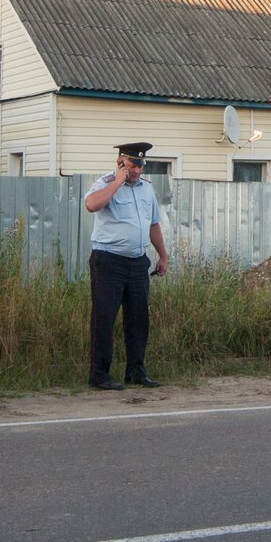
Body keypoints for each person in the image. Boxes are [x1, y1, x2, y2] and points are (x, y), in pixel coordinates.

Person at [84, 142, 169, 390]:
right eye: (133, 165)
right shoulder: (105, 183)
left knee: (138, 319)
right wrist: (117, 182)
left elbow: (153, 224)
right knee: (104, 318)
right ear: (121, 162)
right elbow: (91, 205)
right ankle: (99, 375)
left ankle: (136, 371)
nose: (137, 171)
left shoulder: (146, 190)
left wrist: (162, 256)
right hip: (108, 261)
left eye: (141, 166)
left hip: (137, 262)